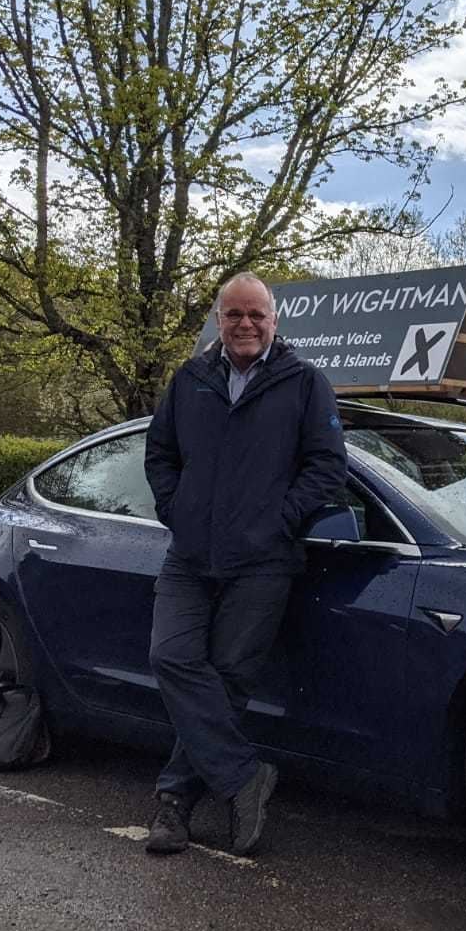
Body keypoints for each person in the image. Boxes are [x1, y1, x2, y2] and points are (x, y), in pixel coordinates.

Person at [142, 271, 346, 856]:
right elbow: (161, 454)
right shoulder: (190, 379)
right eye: (234, 314)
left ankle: (174, 802)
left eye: (257, 314)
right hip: (190, 553)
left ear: (274, 322)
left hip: (262, 561)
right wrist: (177, 510)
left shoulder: (305, 383)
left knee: (229, 680)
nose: (246, 324)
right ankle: (241, 777)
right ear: (219, 320)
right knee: (171, 657)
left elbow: (327, 467)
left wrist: (276, 523)